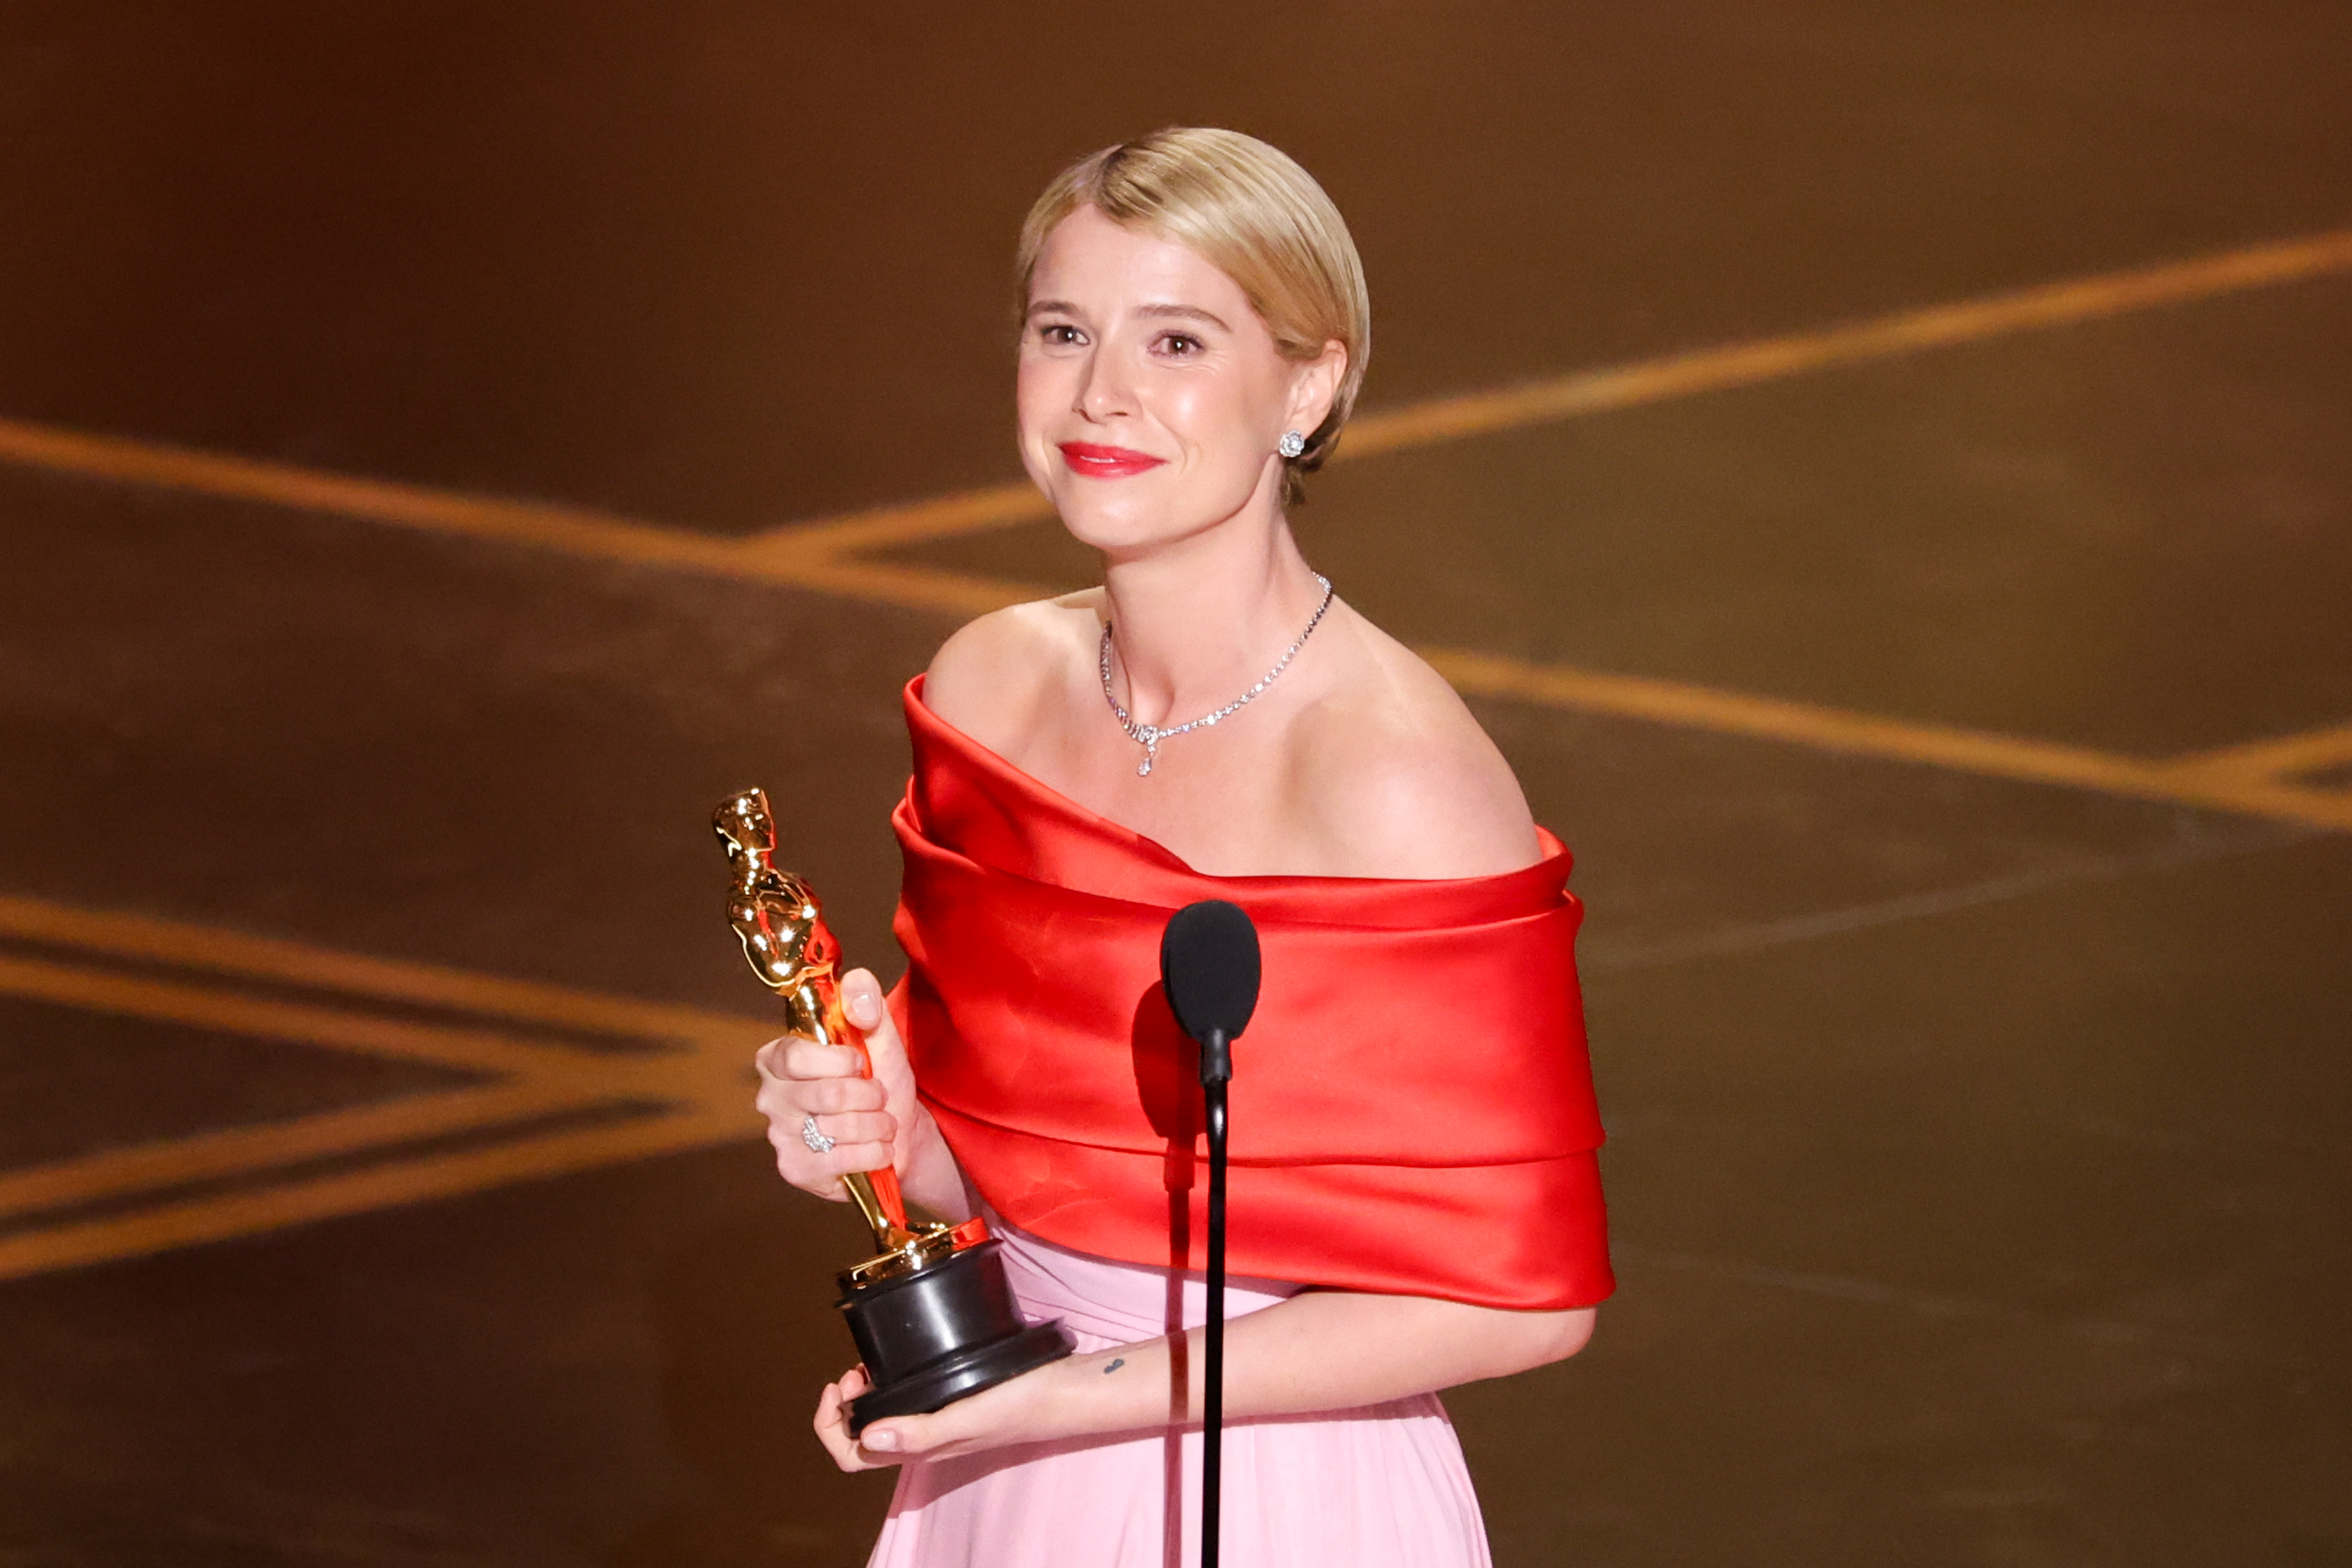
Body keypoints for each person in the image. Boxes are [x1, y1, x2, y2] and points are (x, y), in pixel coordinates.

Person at [753, 127, 1612, 1567]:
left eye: (1178, 341)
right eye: (1065, 331)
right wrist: (890, 1139)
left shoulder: (1392, 773)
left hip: (1274, 1494)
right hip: (1002, 1474)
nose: (1103, 395)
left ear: (1312, 382)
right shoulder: (988, 692)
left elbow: (1523, 1300)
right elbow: (1018, 1171)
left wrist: (1068, 1399)